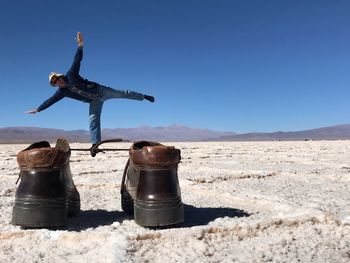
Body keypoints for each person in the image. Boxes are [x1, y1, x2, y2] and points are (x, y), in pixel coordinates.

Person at [25, 32, 155, 149]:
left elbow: (77, 60)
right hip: (93, 102)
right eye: (54, 82)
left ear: (59, 76)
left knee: (123, 93)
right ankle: (95, 145)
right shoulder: (62, 92)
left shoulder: (71, 74)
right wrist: (38, 109)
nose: (57, 82)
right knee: (93, 120)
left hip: (101, 91)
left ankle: (144, 96)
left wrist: (80, 46)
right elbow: (51, 101)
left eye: (56, 79)